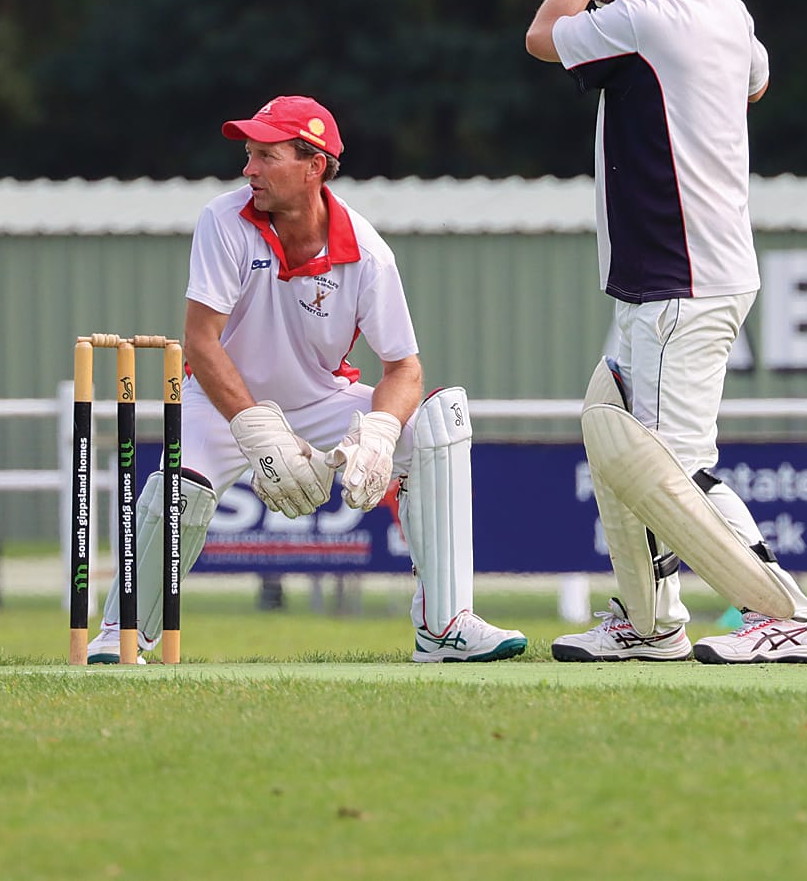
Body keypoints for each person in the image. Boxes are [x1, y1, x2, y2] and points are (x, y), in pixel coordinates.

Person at [87, 95, 526, 664]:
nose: (249, 170)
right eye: (249, 154)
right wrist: (255, 428)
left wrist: (379, 436)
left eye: (267, 156)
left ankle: (444, 626)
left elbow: (404, 368)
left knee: (435, 431)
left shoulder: (366, 253)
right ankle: (121, 635)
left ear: (313, 165)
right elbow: (200, 341)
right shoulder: (224, 221)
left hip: (321, 399)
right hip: (220, 399)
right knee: (181, 487)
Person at [524, 0, 807, 664]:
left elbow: (541, 35)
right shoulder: (722, 5)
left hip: (678, 276)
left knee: (673, 469)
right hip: (670, 274)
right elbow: (756, 80)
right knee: (615, 441)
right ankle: (647, 619)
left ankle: (786, 613)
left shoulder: (643, 18)